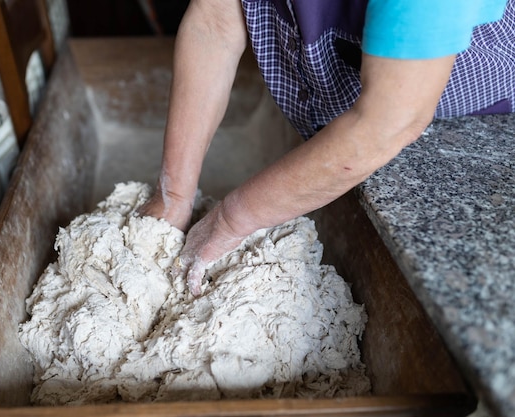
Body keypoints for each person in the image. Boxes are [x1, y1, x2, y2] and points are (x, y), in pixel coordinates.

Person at [139, 0, 514, 296]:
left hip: (470, 123)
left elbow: (384, 126)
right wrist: (173, 194)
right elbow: (213, 25)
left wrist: (232, 219)